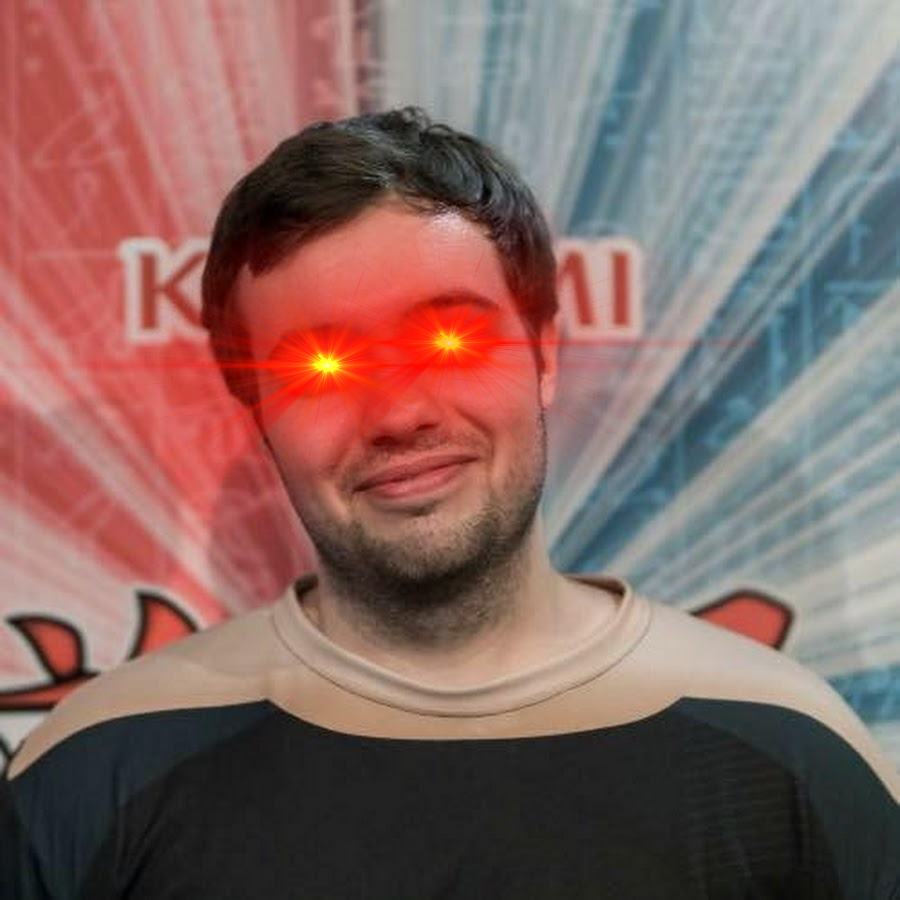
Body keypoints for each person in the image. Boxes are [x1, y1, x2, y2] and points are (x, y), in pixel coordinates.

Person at [1, 107, 897, 899]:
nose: (399, 414)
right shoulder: (101, 765)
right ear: (256, 410)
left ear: (544, 353)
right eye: (321, 365)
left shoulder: (785, 744)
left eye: (450, 339)